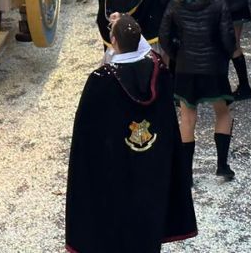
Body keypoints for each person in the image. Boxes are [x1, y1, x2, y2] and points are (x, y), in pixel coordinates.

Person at [64, 14, 197, 252]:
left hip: (116, 164)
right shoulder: (160, 73)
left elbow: (87, 134)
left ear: (113, 40)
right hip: (152, 161)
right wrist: (128, 26)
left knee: (119, 223)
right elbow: (145, 51)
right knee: (148, 218)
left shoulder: (101, 81)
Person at [160, 0, 237, 181]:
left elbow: (164, 35)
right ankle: (222, 165)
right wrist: (223, 57)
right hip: (213, 68)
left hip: (185, 67)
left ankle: (186, 172)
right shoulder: (218, 3)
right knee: (223, 113)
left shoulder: (175, 3)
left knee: (187, 117)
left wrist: (177, 54)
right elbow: (228, 39)